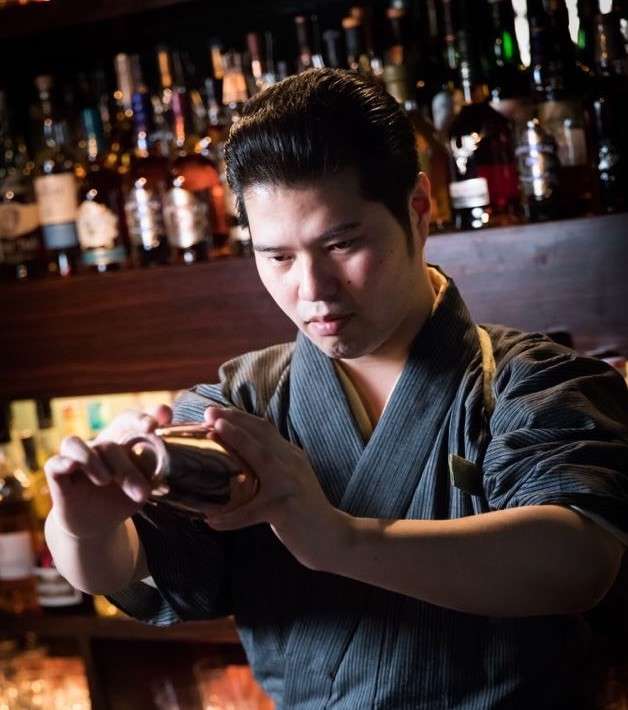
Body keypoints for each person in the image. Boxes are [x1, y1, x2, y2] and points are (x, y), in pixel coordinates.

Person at [44, 69, 628, 709]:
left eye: (343, 243)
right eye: (278, 257)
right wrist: (85, 525)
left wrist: (338, 539)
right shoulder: (239, 404)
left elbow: (578, 559)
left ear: (417, 209)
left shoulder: (534, 381)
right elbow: (134, 567)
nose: (313, 290)